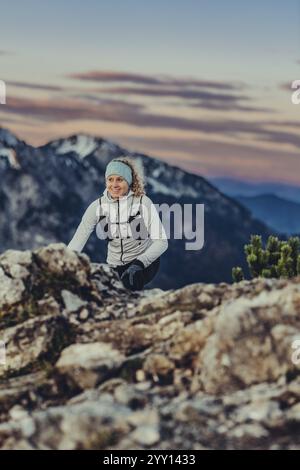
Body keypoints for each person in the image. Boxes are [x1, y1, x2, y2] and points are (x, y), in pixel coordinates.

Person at [67, 157, 168, 291]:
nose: (114, 185)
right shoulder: (98, 206)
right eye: (110, 179)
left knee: (129, 286)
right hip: (114, 266)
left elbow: (162, 241)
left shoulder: (143, 203)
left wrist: (140, 263)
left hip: (144, 263)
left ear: (129, 181)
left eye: (119, 179)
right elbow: (78, 240)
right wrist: (65, 262)